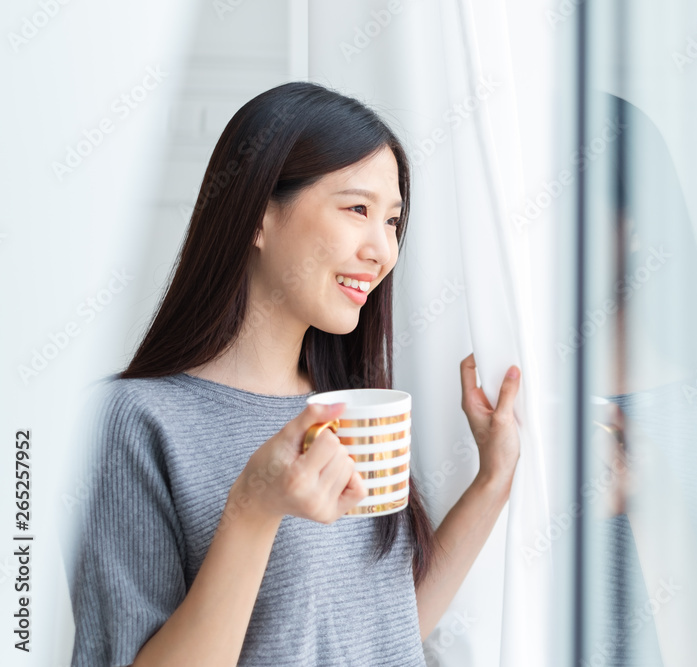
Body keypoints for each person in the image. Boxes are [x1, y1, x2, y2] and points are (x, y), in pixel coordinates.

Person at [67, 81, 522, 666]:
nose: (383, 250)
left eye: (392, 221)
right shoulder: (133, 421)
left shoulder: (352, 410)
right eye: (358, 209)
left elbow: (382, 630)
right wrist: (253, 508)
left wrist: (494, 481)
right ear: (257, 216)